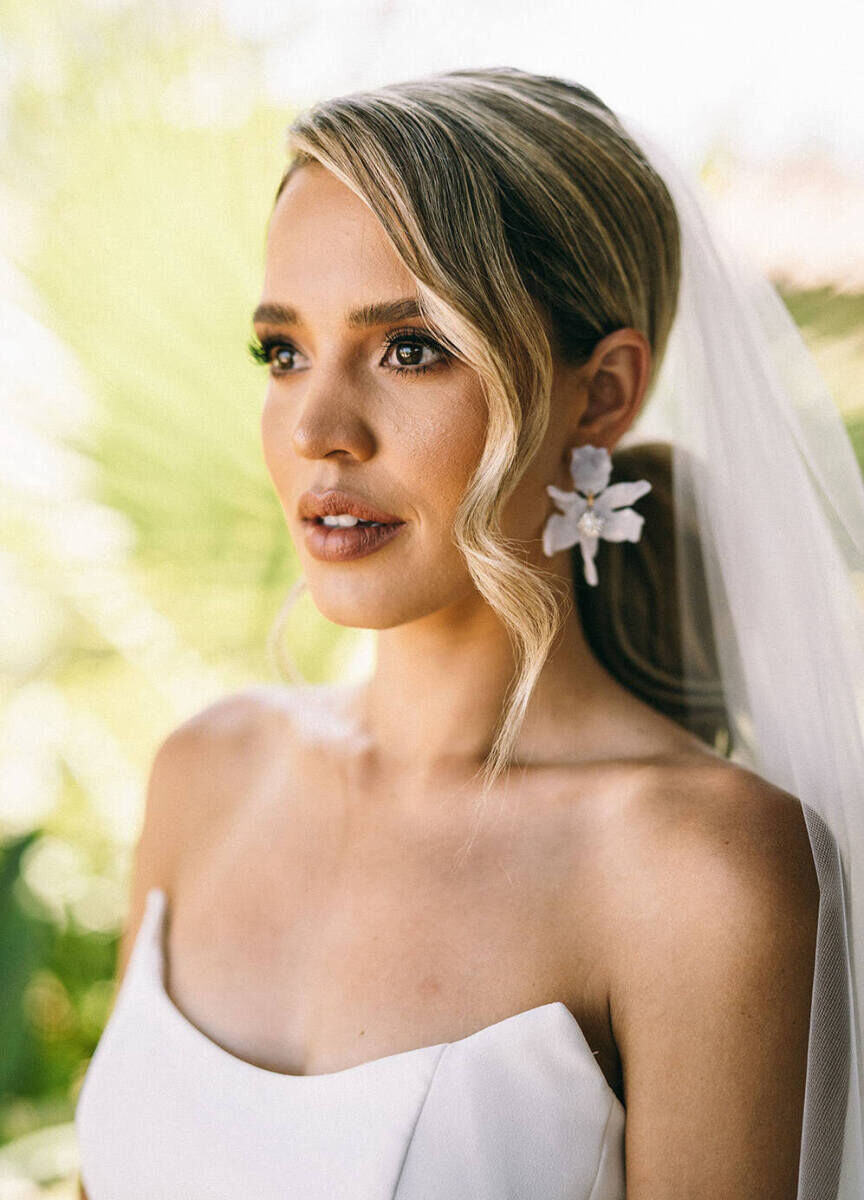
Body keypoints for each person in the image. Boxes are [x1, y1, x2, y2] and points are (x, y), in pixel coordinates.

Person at [74, 67, 864, 1199]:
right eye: (283, 351)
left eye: (409, 349)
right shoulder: (205, 776)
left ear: (601, 396)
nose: (319, 429)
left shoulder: (699, 871)